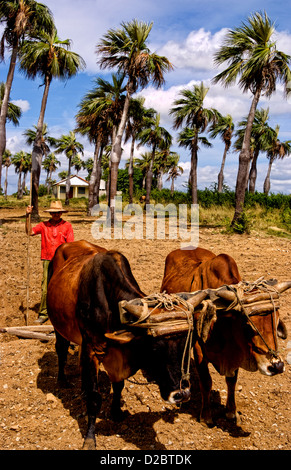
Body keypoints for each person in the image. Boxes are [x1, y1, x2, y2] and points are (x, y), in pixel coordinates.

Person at [25, 200, 74, 324]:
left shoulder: (67, 226)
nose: (56, 215)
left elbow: (70, 245)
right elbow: (29, 232)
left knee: (63, 287)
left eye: (58, 212)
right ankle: (44, 313)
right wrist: (27, 216)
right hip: (47, 260)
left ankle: (62, 313)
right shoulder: (43, 225)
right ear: (51, 213)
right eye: (54, 213)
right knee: (46, 287)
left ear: (61, 213)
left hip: (62, 261)